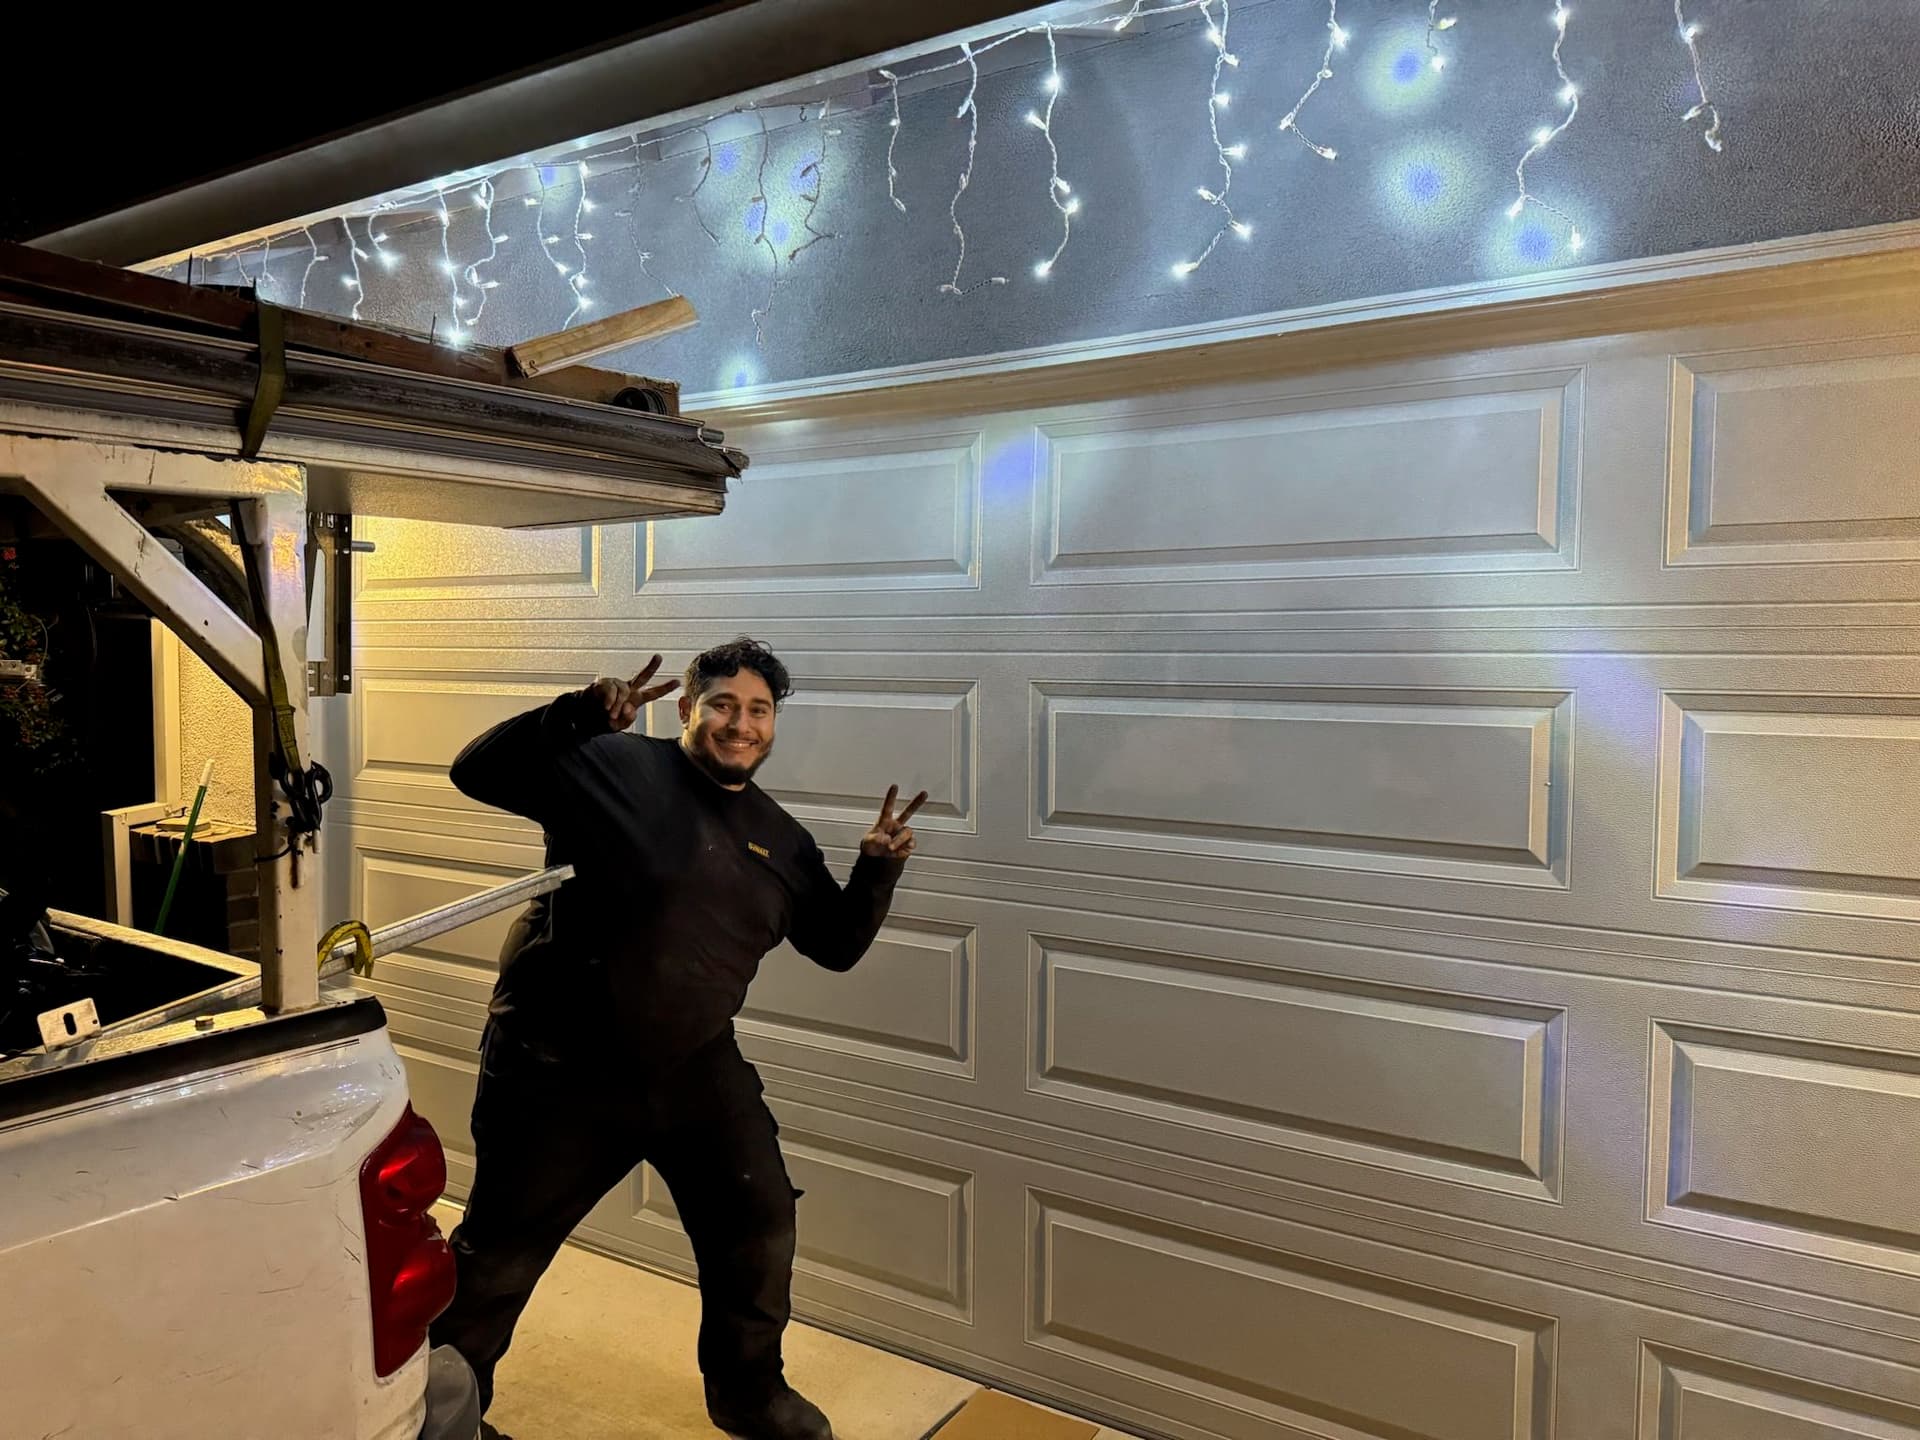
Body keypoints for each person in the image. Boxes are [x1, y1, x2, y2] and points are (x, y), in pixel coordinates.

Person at [429, 637, 925, 1440]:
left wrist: (877, 872)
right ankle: (441, 1412)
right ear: (688, 707)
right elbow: (475, 771)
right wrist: (576, 716)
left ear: (774, 725)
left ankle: (747, 1391)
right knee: (497, 1259)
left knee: (758, 1224)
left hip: (694, 1069)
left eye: (759, 710)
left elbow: (834, 945)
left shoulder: (781, 838)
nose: (741, 724)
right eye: (723, 704)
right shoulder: (609, 764)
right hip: (560, 1070)